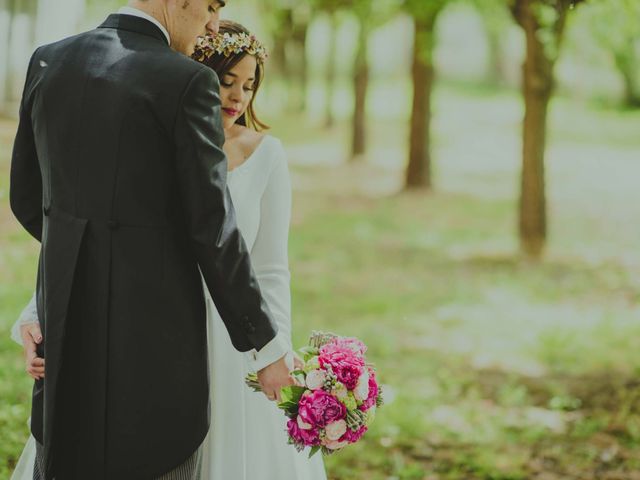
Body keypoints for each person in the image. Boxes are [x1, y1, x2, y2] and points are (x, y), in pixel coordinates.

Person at [9, 1, 294, 479]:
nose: (213, 23)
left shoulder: (47, 60)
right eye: (209, 6)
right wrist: (265, 346)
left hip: (69, 327)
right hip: (157, 352)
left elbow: (26, 197)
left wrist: (89, 254)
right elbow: (213, 229)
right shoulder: (186, 80)